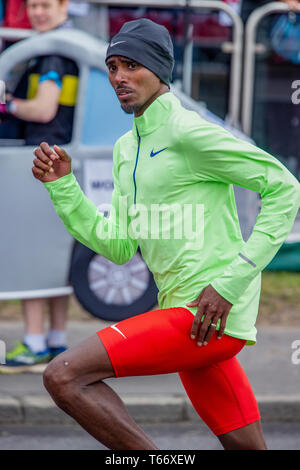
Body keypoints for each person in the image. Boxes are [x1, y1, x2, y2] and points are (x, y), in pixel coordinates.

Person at [32, 19, 300, 450]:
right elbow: (118, 247)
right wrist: (63, 187)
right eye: (113, 67)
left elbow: (284, 187)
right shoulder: (126, 149)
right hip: (187, 314)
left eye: (131, 65)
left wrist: (232, 282)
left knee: (63, 374)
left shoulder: (188, 132)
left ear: (159, 69)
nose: (120, 76)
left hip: (208, 311)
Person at [0, 0, 78, 373]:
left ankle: (33, 343)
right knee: (54, 252)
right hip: (59, 158)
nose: (38, 13)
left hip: (39, 158)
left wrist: (8, 104)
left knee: (33, 251)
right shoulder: (65, 45)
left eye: (46, 5)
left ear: (64, 6)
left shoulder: (50, 53)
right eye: (33, 5)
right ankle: (56, 341)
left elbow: (44, 110)